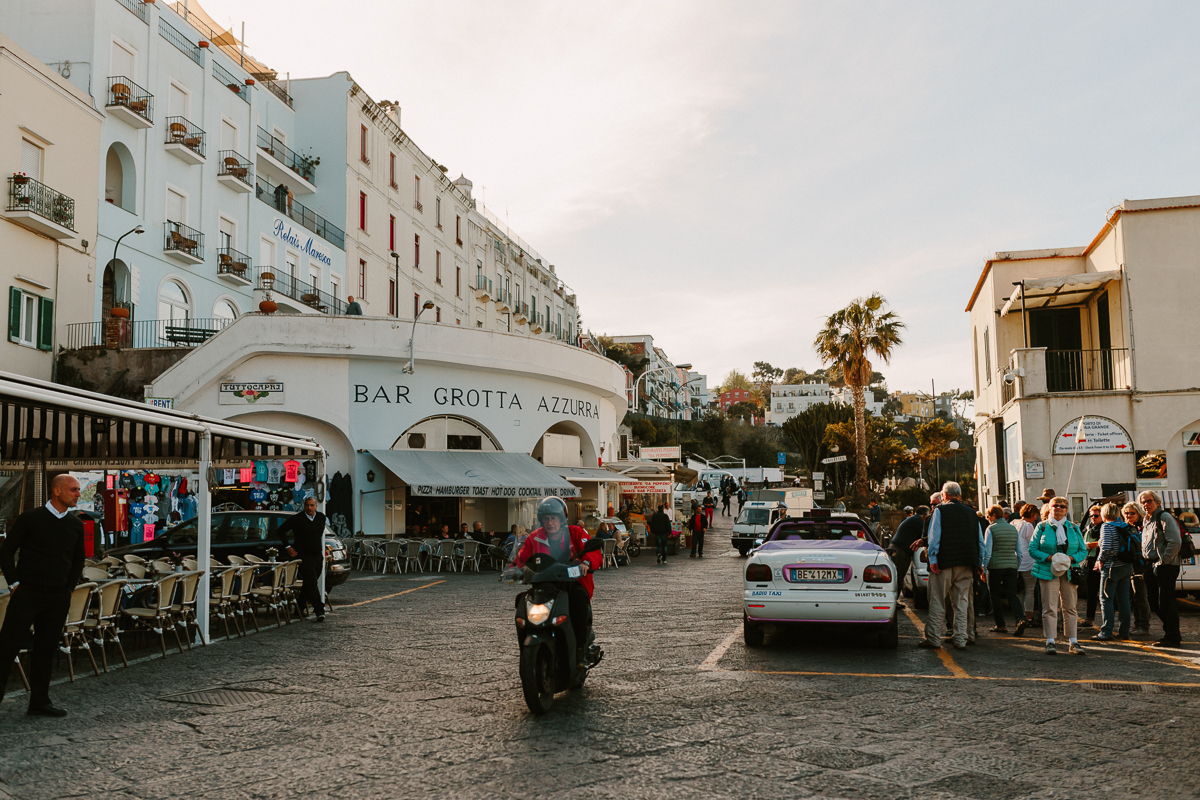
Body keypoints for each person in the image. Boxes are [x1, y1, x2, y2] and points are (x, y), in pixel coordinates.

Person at [0, 475, 86, 717]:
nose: (78, 494)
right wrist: (14, 582)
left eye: (78, 490)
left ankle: (39, 702)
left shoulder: (75, 524)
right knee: (7, 647)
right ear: (56, 491)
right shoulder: (30, 518)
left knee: (46, 650)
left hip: (57, 596)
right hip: (27, 592)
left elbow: (79, 559)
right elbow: (6, 551)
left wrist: (68, 588)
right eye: (73, 490)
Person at [513, 497, 601, 668]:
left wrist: (586, 563)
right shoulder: (534, 538)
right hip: (543, 585)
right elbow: (521, 558)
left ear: (562, 519)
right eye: (546, 518)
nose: (550, 522)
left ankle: (580, 651)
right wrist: (513, 569)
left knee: (579, 598)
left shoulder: (576, 533)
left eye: (554, 518)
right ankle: (524, 648)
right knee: (521, 599)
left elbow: (592, 551)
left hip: (571, 584)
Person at [921, 482, 985, 651]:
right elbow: (979, 540)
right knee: (961, 603)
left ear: (945, 496)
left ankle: (934, 639)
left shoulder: (940, 511)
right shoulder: (972, 513)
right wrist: (980, 562)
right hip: (967, 562)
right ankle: (961, 638)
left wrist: (933, 559)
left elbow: (935, 537)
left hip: (944, 562)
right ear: (960, 495)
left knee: (937, 601)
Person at [1027, 495, 1087, 654]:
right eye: (1055, 505)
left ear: (1067, 510)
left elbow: (1083, 550)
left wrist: (1070, 558)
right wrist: (1050, 558)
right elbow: (1032, 549)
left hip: (1069, 571)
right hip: (1047, 571)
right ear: (1049, 508)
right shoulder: (1041, 527)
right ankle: (1050, 641)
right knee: (1049, 607)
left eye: (1062, 506)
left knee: (1070, 607)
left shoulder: (1073, 528)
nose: (1059, 508)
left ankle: (1073, 642)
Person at [1139, 490, 1182, 648]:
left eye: (1149, 501)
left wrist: (1163, 561)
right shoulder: (1147, 519)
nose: (1146, 504)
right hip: (1151, 564)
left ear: (1157, 502)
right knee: (1154, 602)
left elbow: (1175, 542)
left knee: (1166, 602)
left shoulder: (1164, 517)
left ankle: (1173, 637)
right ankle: (1170, 632)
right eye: (1143, 502)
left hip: (1166, 566)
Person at [276, 496, 328, 621]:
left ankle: (299, 607)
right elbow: (281, 530)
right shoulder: (297, 519)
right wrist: (288, 546)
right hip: (304, 555)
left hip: (317, 554)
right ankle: (319, 609)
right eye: (307, 505)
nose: (309, 508)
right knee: (312, 582)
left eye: (311, 505)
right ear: (304, 506)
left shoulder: (321, 518)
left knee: (310, 583)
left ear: (316, 506)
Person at [1093, 502, 1137, 641]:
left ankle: (1106, 631)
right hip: (1127, 566)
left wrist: (1100, 561)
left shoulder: (1107, 527)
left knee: (1106, 599)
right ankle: (1124, 631)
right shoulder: (1124, 526)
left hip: (1112, 567)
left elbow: (1106, 547)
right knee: (1124, 599)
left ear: (1104, 514)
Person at [984, 505, 1023, 633]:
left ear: (994, 515)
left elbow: (988, 552)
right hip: (1011, 565)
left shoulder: (991, 529)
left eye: (988, 516)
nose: (988, 519)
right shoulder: (1013, 529)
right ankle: (1020, 619)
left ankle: (1001, 625)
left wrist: (984, 569)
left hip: (995, 566)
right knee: (1012, 594)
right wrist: (1016, 565)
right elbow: (1019, 552)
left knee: (994, 596)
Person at [889, 505, 928, 607]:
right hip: (901, 551)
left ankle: (894, 601)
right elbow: (925, 535)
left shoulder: (912, 519)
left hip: (897, 548)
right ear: (925, 515)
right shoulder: (918, 521)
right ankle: (893, 602)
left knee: (898, 576)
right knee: (898, 576)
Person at [1012, 502, 1041, 636]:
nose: (1036, 518)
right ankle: (1029, 616)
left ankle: (1021, 615)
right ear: (1032, 514)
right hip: (1029, 561)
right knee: (1030, 589)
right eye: (1035, 515)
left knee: (1020, 590)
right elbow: (1033, 543)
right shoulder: (1029, 526)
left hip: (1016, 560)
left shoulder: (1013, 523)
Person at [1124, 503, 1152, 634]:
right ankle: (1137, 624)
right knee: (1133, 597)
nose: (1129, 516)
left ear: (1139, 514)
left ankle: (1144, 626)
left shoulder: (1143, 528)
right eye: (1126, 513)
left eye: (1132, 513)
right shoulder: (1126, 528)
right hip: (1129, 566)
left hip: (1140, 566)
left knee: (1140, 596)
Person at [1079, 505, 1103, 628]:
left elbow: (1102, 543)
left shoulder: (1105, 527)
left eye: (1096, 516)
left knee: (1104, 594)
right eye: (1091, 516)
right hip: (1089, 561)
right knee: (1091, 593)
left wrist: (1089, 545)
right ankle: (1089, 619)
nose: (1093, 518)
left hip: (1102, 561)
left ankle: (1106, 622)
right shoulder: (1088, 528)